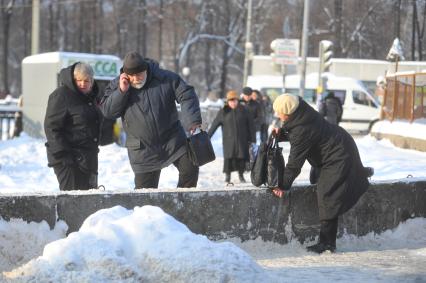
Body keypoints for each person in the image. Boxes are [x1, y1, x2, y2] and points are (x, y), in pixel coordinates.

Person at [271, 93, 373, 254]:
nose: (277, 115)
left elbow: (294, 163)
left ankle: (327, 243)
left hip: (337, 155)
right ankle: (358, 173)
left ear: (288, 112)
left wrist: (283, 185)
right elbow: (297, 132)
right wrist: (282, 134)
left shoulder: (302, 128)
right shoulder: (303, 112)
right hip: (337, 145)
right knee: (320, 185)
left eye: (279, 112)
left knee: (327, 195)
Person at [100, 51, 202, 189]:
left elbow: (187, 95)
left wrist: (192, 120)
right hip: (142, 149)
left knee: (191, 168)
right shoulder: (117, 85)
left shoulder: (166, 78)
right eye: (132, 76)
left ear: (146, 69)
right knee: (145, 196)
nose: (136, 79)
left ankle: (181, 204)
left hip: (172, 140)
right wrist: (121, 91)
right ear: (125, 75)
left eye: (139, 74)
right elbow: (108, 111)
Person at [44, 62, 101, 190]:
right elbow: (51, 127)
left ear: (92, 81)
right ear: (73, 79)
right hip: (68, 159)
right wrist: (63, 155)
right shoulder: (61, 95)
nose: (82, 84)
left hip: (87, 157)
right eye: (78, 80)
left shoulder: (91, 97)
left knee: (87, 200)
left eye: (86, 81)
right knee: (72, 200)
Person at [208, 90, 255, 184]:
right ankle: (227, 176)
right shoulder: (223, 111)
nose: (233, 102)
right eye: (231, 101)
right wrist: (207, 137)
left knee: (241, 157)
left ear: (237, 100)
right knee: (228, 158)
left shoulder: (244, 110)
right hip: (228, 140)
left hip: (242, 139)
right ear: (228, 101)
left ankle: (241, 175)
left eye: (235, 100)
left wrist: (252, 140)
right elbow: (215, 125)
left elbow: (251, 126)